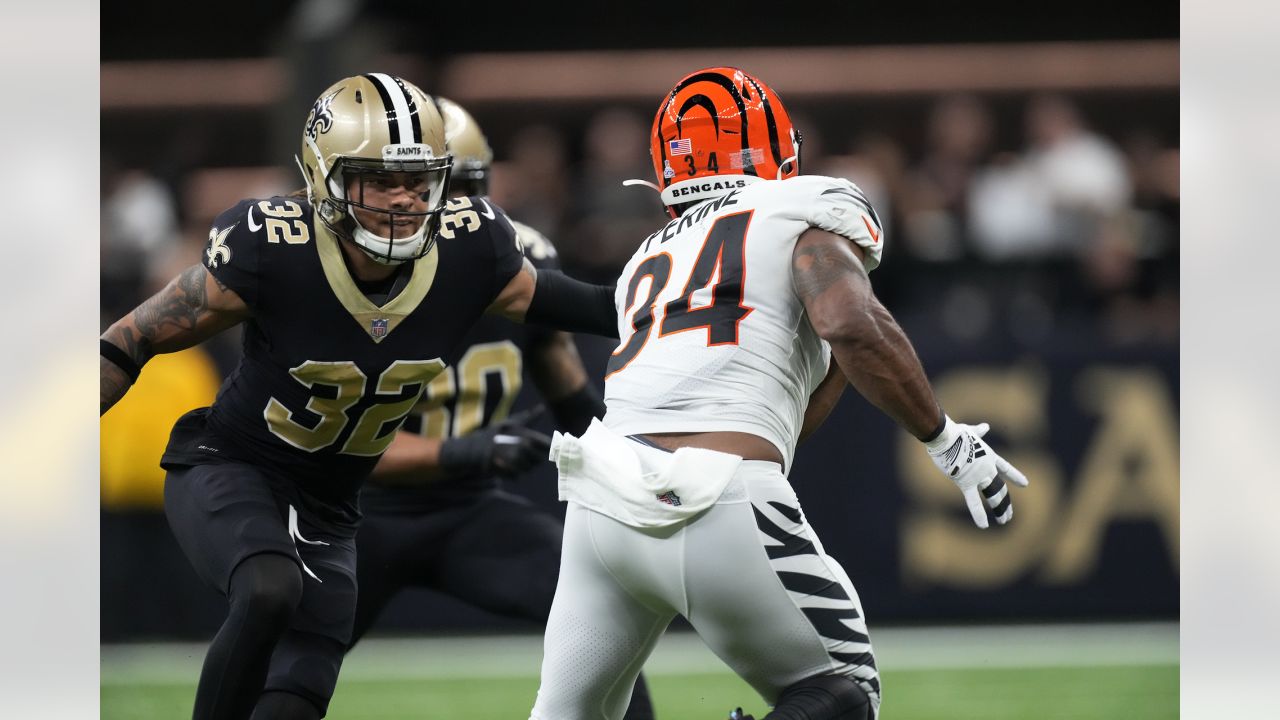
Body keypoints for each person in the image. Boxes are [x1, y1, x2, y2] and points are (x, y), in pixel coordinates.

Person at [99, 73, 618, 720]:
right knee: (267, 589)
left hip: (332, 510)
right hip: (233, 466)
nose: (404, 200)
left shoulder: (470, 250)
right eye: (380, 180)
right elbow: (127, 340)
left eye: (418, 180)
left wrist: (700, 288)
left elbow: (604, 307)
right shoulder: (274, 246)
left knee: (296, 696)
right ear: (328, 180)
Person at [528, 67, 1029, 720]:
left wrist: (837, 362)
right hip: (714, 497)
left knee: (565, 715)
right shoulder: (806, 204)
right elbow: (849, 320)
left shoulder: (649, 255)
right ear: (775, 147)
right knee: (843, 697)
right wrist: (947, 440)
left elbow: (792, 406)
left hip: (600, 505)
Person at [349, 96, 654, 719]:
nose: (458, 211)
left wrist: (626, 464)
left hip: (466, 508)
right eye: (441, 189)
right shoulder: (344, 276)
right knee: (289, 660)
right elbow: (335, 445)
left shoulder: (519, 262)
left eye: (468, 188)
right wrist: (472, 449)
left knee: (603, 617)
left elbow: (566, 387)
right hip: (352, 514)